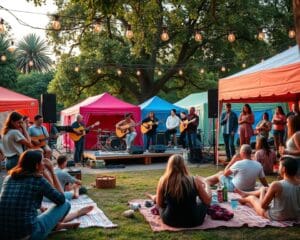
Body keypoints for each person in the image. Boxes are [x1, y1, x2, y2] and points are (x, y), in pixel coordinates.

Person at [0, 150, 71, 240]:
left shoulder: (9, 178)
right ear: (37, 165)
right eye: (42, 161)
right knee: (66, 204)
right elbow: (61, 199)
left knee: (38, 212)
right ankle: (55, 227)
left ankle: (56, 225)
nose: (44, 163)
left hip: (3, 234)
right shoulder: (38, 180)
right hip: (28, 235)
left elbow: (20, 200)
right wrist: (52, 171)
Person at [146, 154, 211, 228]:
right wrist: (206, 183)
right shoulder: (194, 180)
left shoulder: (163, 180)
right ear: (184, 165)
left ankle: (153, 197)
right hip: (194, 220)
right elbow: (207, 201)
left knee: (160, 201)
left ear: (169, 166)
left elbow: (160, 204)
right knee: (203, 200)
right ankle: (153, 197)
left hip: (170, 220)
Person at [236, 156, 300, 221]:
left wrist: (263, 191)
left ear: (284, 169)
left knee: (252, 198)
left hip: (277, 216)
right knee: (266, 189)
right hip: (295, 215)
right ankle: (245, 193)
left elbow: (263, 206)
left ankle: (242, 200)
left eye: (279, 166)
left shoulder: (277, 185)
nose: (278, 168)